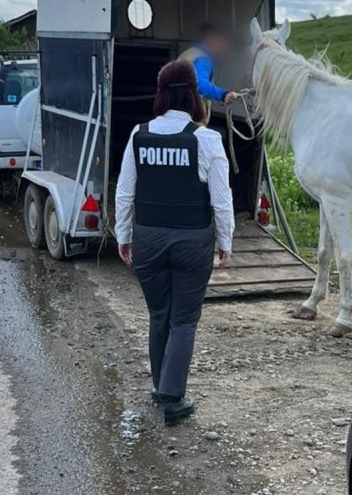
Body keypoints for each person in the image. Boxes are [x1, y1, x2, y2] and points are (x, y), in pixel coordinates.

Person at [114, 60, 235, 426]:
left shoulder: (139, 135)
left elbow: (124, 193)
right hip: (191, 242)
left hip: (148, 240)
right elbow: (221, 199)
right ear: (194, 97)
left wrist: (123, 236)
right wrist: (225, 240)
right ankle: (173, 398)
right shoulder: (206, 140)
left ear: (161, 95)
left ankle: (160, 386)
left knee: (158, 315)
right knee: (183, 320)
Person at [178, 23, 240, 125]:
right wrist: (223, 94)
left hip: (176, 110)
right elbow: (200, 83)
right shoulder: (203, 59)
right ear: (211, 40)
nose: (224, 48)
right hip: (191, 115)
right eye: (221, 42)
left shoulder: (189, 53)